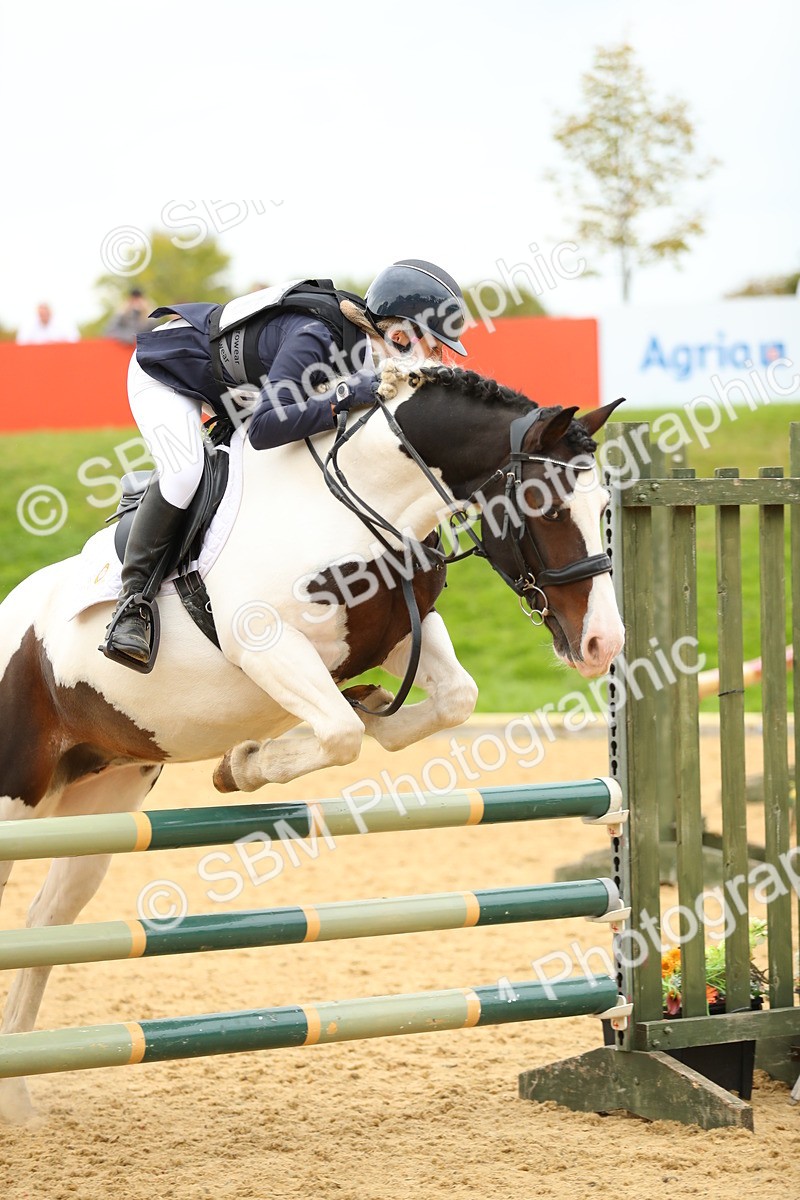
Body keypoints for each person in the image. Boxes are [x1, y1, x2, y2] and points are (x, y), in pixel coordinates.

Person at [102, 260, 468, 669]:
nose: (439, 359)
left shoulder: (368, 355)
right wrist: (345, 394)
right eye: (434, 347)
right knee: (186, 471)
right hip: (171, 373)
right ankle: (132, 605)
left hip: (240, 394)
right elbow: (264, 429)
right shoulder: (317, 335)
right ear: (399, 334)